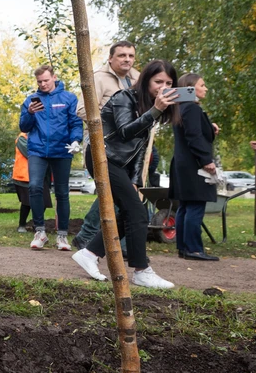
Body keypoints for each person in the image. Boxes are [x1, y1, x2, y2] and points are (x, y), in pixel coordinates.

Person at [71, 60, 180, 289]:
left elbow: (140, 147)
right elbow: (124, 132)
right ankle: (142, 271)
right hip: (102, 157)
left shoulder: (148, 107)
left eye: (169, 83)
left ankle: (89, 254)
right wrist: (155, 110)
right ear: (145, 81)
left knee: (129, 212)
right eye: (158, 81)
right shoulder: (124, 98)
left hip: (120, 165)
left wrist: (134, 180)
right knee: (138, 213)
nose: (163, 86)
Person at [74, 41, 140, 250]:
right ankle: (88, 235)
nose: (127, 59)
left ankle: (120, 240)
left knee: (125, 191)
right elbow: (82, 109)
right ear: (111, 58)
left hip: (132, 145)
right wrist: (112, 122)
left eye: (130, 55)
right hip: (104, 143)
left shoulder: (137, 79)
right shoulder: (98, 78)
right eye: (122, 55)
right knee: (114, 190)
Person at [19, 65, 83, 251]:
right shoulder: (31, 100)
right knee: (35, 186)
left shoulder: (69, 98)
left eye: (46, 80)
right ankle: (40, 232)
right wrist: (29, 113)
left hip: (62, 150)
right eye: (39, 81)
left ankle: (62, 236)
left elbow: (75, 122)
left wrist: (76, 140)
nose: (43, 84)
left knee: (62, 193)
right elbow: (24, 127)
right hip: (38, 150)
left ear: (54, 77)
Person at [170, 74, 220, 261]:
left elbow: (195, 132)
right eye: (202, 84)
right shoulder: (191, 107)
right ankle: (194, 249)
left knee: (186, 206)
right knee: (195, 206)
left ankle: (184, 248)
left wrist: (210, 127)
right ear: (190, 88)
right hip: (194, 164)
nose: (205, 88)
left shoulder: (181, 108)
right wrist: (206, 160)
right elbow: (193, 136)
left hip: (184, 164)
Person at [11, 132, 52, 233]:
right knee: (27, 202)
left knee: (44, 202)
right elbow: (29, 152)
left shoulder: (42, 136)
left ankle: (36, 224)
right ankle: (22, 225)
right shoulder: (22, 137)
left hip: (40, 175)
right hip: (24, 176)